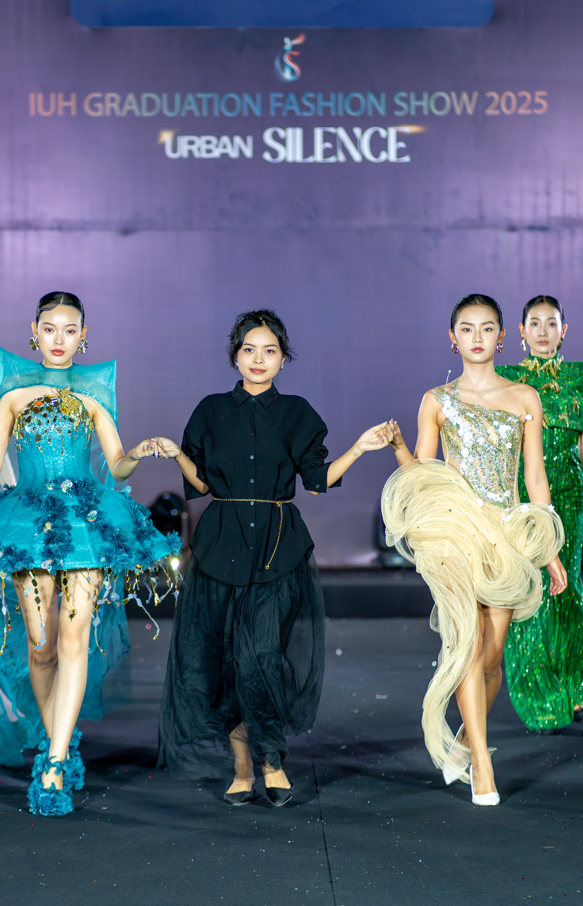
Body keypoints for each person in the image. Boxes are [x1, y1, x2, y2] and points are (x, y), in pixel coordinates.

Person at [0, 291, 180, 816]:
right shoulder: (12, 396)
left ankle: (52, 763)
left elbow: (116, 464)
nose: (59, 339)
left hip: (85, 523)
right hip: (26, 521)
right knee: (41, 646)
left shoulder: (93, 395)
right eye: (50, 328)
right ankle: (60, 745)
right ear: (35, 331)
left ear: (83, 336)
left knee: (74, 638)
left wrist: (139, 452)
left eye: (70, 330)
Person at [157, 309, 394, 807]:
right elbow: (201, 484)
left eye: (270, 351)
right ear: (235, 356)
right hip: (220, 548)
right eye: (249, 349)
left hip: (276, 547)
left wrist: (359, 447)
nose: (259, 359)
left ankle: (271, 759)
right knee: (225, 661)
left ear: (284, 359)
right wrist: (177, 455)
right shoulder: (210, 411)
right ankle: (243, 766)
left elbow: (316, 481)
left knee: (261, 656)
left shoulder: (297, 414)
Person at [382, 294, 566, 806]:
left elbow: (535, 478)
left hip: (505, 534)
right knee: (467, 643)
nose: (477, 337)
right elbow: (425, 476)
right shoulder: (436, 400)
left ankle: (467, 737)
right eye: (467, 328)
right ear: (453, 338)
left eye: (487, 328)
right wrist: (399, 449)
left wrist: (548, 547)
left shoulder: (525, 398)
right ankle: (483, 761)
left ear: (502, 338)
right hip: (454, 532)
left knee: (491, 657)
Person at [493, 295, 583, 730]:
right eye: (535, 323)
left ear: (564, 330)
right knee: (530, 587)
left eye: (551, 323)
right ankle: (535, 691)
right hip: (523, 495)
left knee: (567, 587)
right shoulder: (505, 379)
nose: (543, 331)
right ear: (521, 332)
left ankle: (572, 686)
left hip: (570, 495)